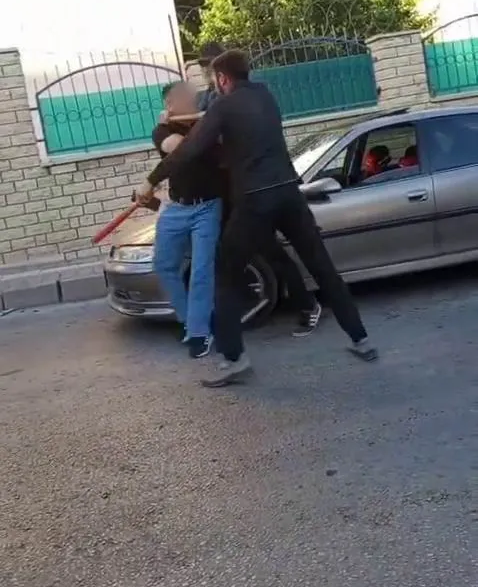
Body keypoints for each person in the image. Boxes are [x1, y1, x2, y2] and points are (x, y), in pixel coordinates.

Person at [137, 50, 376, 386]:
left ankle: (234, 360)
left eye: (213, 79)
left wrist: (151, 181)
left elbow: (188, 149)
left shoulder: (223, 106)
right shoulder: (265, 95)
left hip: (254, 200)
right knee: (322, 267)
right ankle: (361, 340)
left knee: (225, 276)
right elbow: (211, 113)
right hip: (290, 194)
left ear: (222, 79)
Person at [194, 43, 321, 337]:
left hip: (254, 192)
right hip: (231, 192)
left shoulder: (246, 98)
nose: (207, 73)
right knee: (242, 255)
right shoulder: (205, 99)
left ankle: (305, 305)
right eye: (204, 67)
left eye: (211, 66)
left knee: (270, 254)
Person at [151, 81, 224, 359]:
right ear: (169, 104)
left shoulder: (206, 125)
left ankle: (199, 332)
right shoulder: (161, 131)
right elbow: (178, 148)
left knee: (201, 270)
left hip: (208, 206)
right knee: (164, 265)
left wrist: (203, 121)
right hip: (177, 207)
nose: (191, 99)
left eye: (191, 96)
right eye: (182, 97)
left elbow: (196, 146)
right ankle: (188, 319)